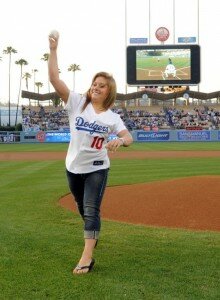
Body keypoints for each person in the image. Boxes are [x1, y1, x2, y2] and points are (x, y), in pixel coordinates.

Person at [48, 33, 133, 275]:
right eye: (94, 84)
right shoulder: (77, 103)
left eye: (101, 85)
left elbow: (128, 137)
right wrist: (53, 50)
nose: (96, 87)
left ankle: (87, 257)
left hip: (97, 167)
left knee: (92, 208)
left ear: (109, 91)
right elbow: (55, 79)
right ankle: (92, 232)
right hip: (73, 166)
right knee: (82, 207)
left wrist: (120, 140)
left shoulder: (112, 117)